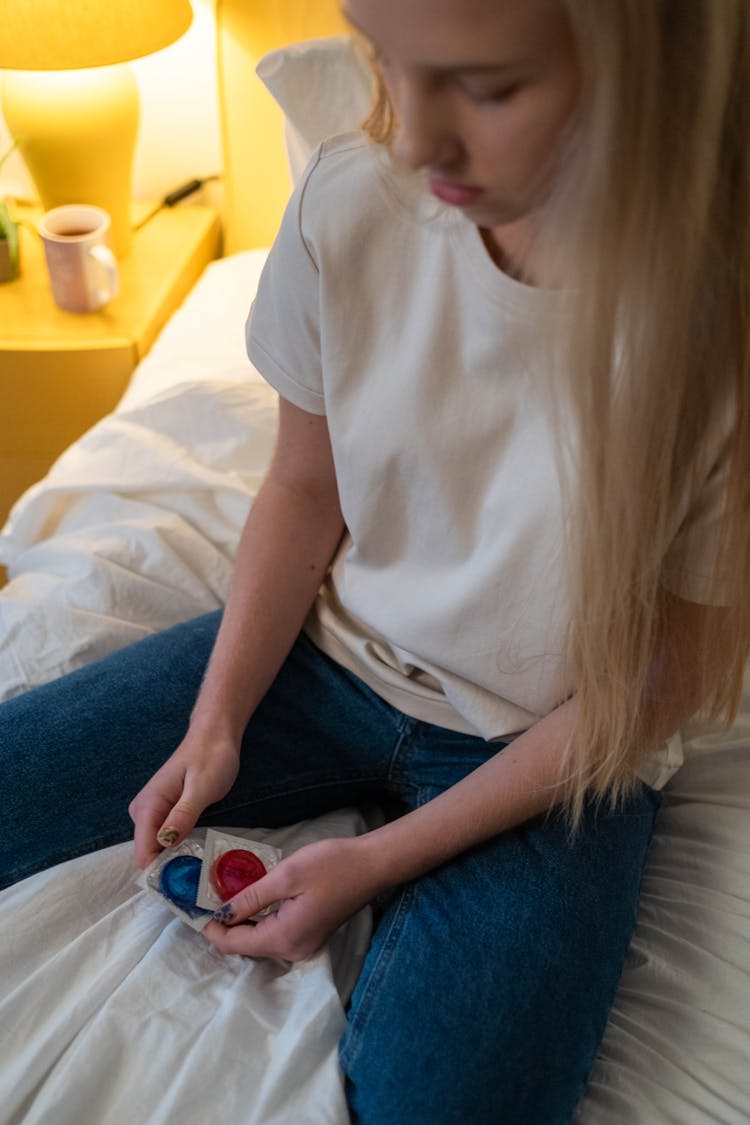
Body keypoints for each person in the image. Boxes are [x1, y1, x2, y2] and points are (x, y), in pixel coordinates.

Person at [2, 1, 748, 1121]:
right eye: (388, 62)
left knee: (460, 1100)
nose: (412, 139)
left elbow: (661, 683)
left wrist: (381, 859)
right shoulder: (353, 199)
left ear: (654, 79)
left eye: (487, 90)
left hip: (559, 745)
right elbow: (305, 490)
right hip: (331, 655)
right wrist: (215, 723)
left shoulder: (714, 330)